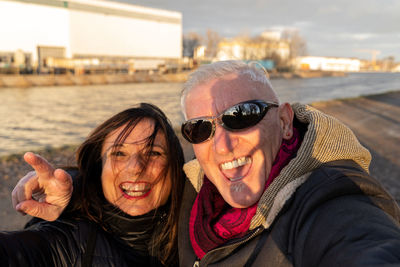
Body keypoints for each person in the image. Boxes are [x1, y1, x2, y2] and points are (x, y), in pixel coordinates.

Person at [12, 61, 400, 266]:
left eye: (243, 114)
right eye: (200, 128)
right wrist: (78, 189)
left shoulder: (328, 198)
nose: (223, 143)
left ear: (284, 122)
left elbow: (360, 242)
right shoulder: (194, 198)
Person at [2, 103, 185, 266]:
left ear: (174, 167)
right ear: (99, 169)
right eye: (119, 154)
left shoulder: (198, 229)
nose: (136, 168)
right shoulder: (69, 240)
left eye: (153, 153)